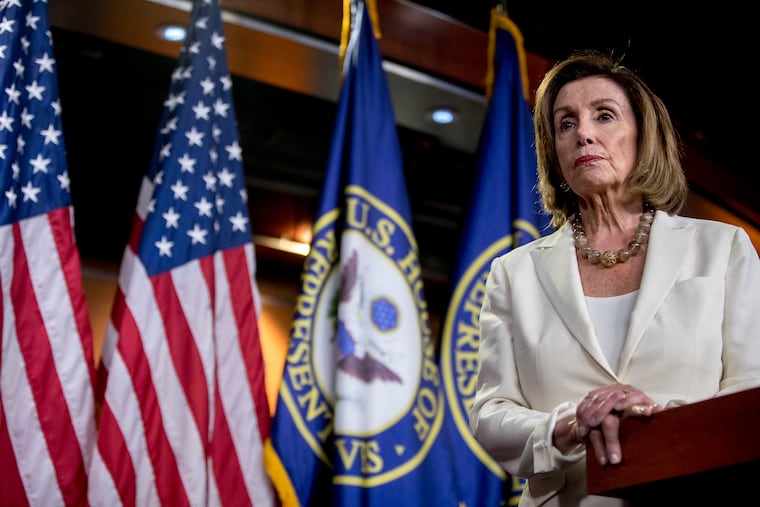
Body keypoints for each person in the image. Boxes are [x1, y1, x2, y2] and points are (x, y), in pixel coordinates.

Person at [469, 50, 760, 506]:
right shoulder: (514, 273)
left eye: (604, 116)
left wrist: (654, 422)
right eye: (566, 123)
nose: (583, 133)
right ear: (554, 151)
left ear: (642, 136)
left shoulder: (723, 249)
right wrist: (566, 425)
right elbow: (490, 414)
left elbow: (751, 393)